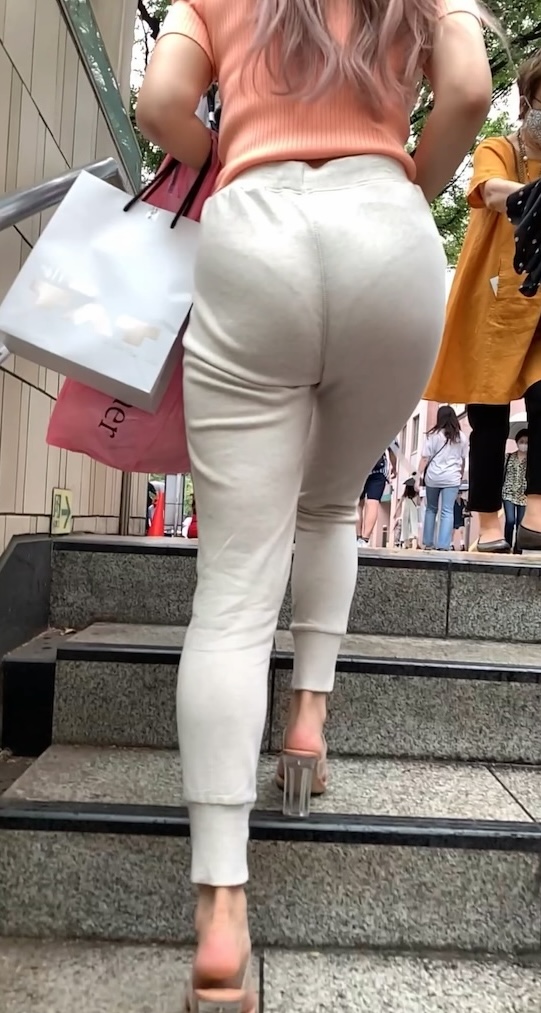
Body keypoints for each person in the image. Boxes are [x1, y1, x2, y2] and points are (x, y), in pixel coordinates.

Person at [136, 0, 491, 1006]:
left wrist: (229, 150)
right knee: (332, 506)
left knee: (232, 591)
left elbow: (159, 103)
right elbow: (468, 90)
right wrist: (412, 176)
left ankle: (220, 915)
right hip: (387, 235)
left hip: (253, 233)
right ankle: (305, 725)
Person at [425, 52, 541, 553]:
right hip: (494, 304)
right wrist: (532, 195)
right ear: (527, 102)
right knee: (489, 418)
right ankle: (489, 525)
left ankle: (536, 516)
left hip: (540, 305)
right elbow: (490, 191)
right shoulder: (501, 148)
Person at [418, 405, 468, 550]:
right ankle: (444, 545)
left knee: (431, 509)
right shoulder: (461, 437)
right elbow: (463, 459)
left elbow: (425, 458)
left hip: (433, 477)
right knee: (447, 511)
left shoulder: (433, 435)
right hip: (452, 478)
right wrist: (460, 475)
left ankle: (428, 543)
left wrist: (417, 476)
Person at [357, 447, 397, 547]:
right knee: (373, 502)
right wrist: (394, 467)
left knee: (357, 503)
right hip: (378, 469)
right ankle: (365, 539)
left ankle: (357, 537)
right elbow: (393, 448)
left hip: (358, 468)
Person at [502, 429, 528, 550]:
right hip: (508, 493)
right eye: (522, 441)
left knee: (520, 523)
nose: (524, 444)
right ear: (517, 442)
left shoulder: (532, 460)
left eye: (526, 442)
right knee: (510, 520)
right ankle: (507, 544)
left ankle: (518, 548)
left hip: (524, 496)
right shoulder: (508, 457)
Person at [395, 478, 419, 549]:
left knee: (405, 525)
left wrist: (395, 513)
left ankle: (406, 543)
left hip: (405, 512)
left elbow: (399, 504)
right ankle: (413, 541)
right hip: (413, 511)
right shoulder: (416, 495)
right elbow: (419, 503)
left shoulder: (404, 495)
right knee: (413, 524)